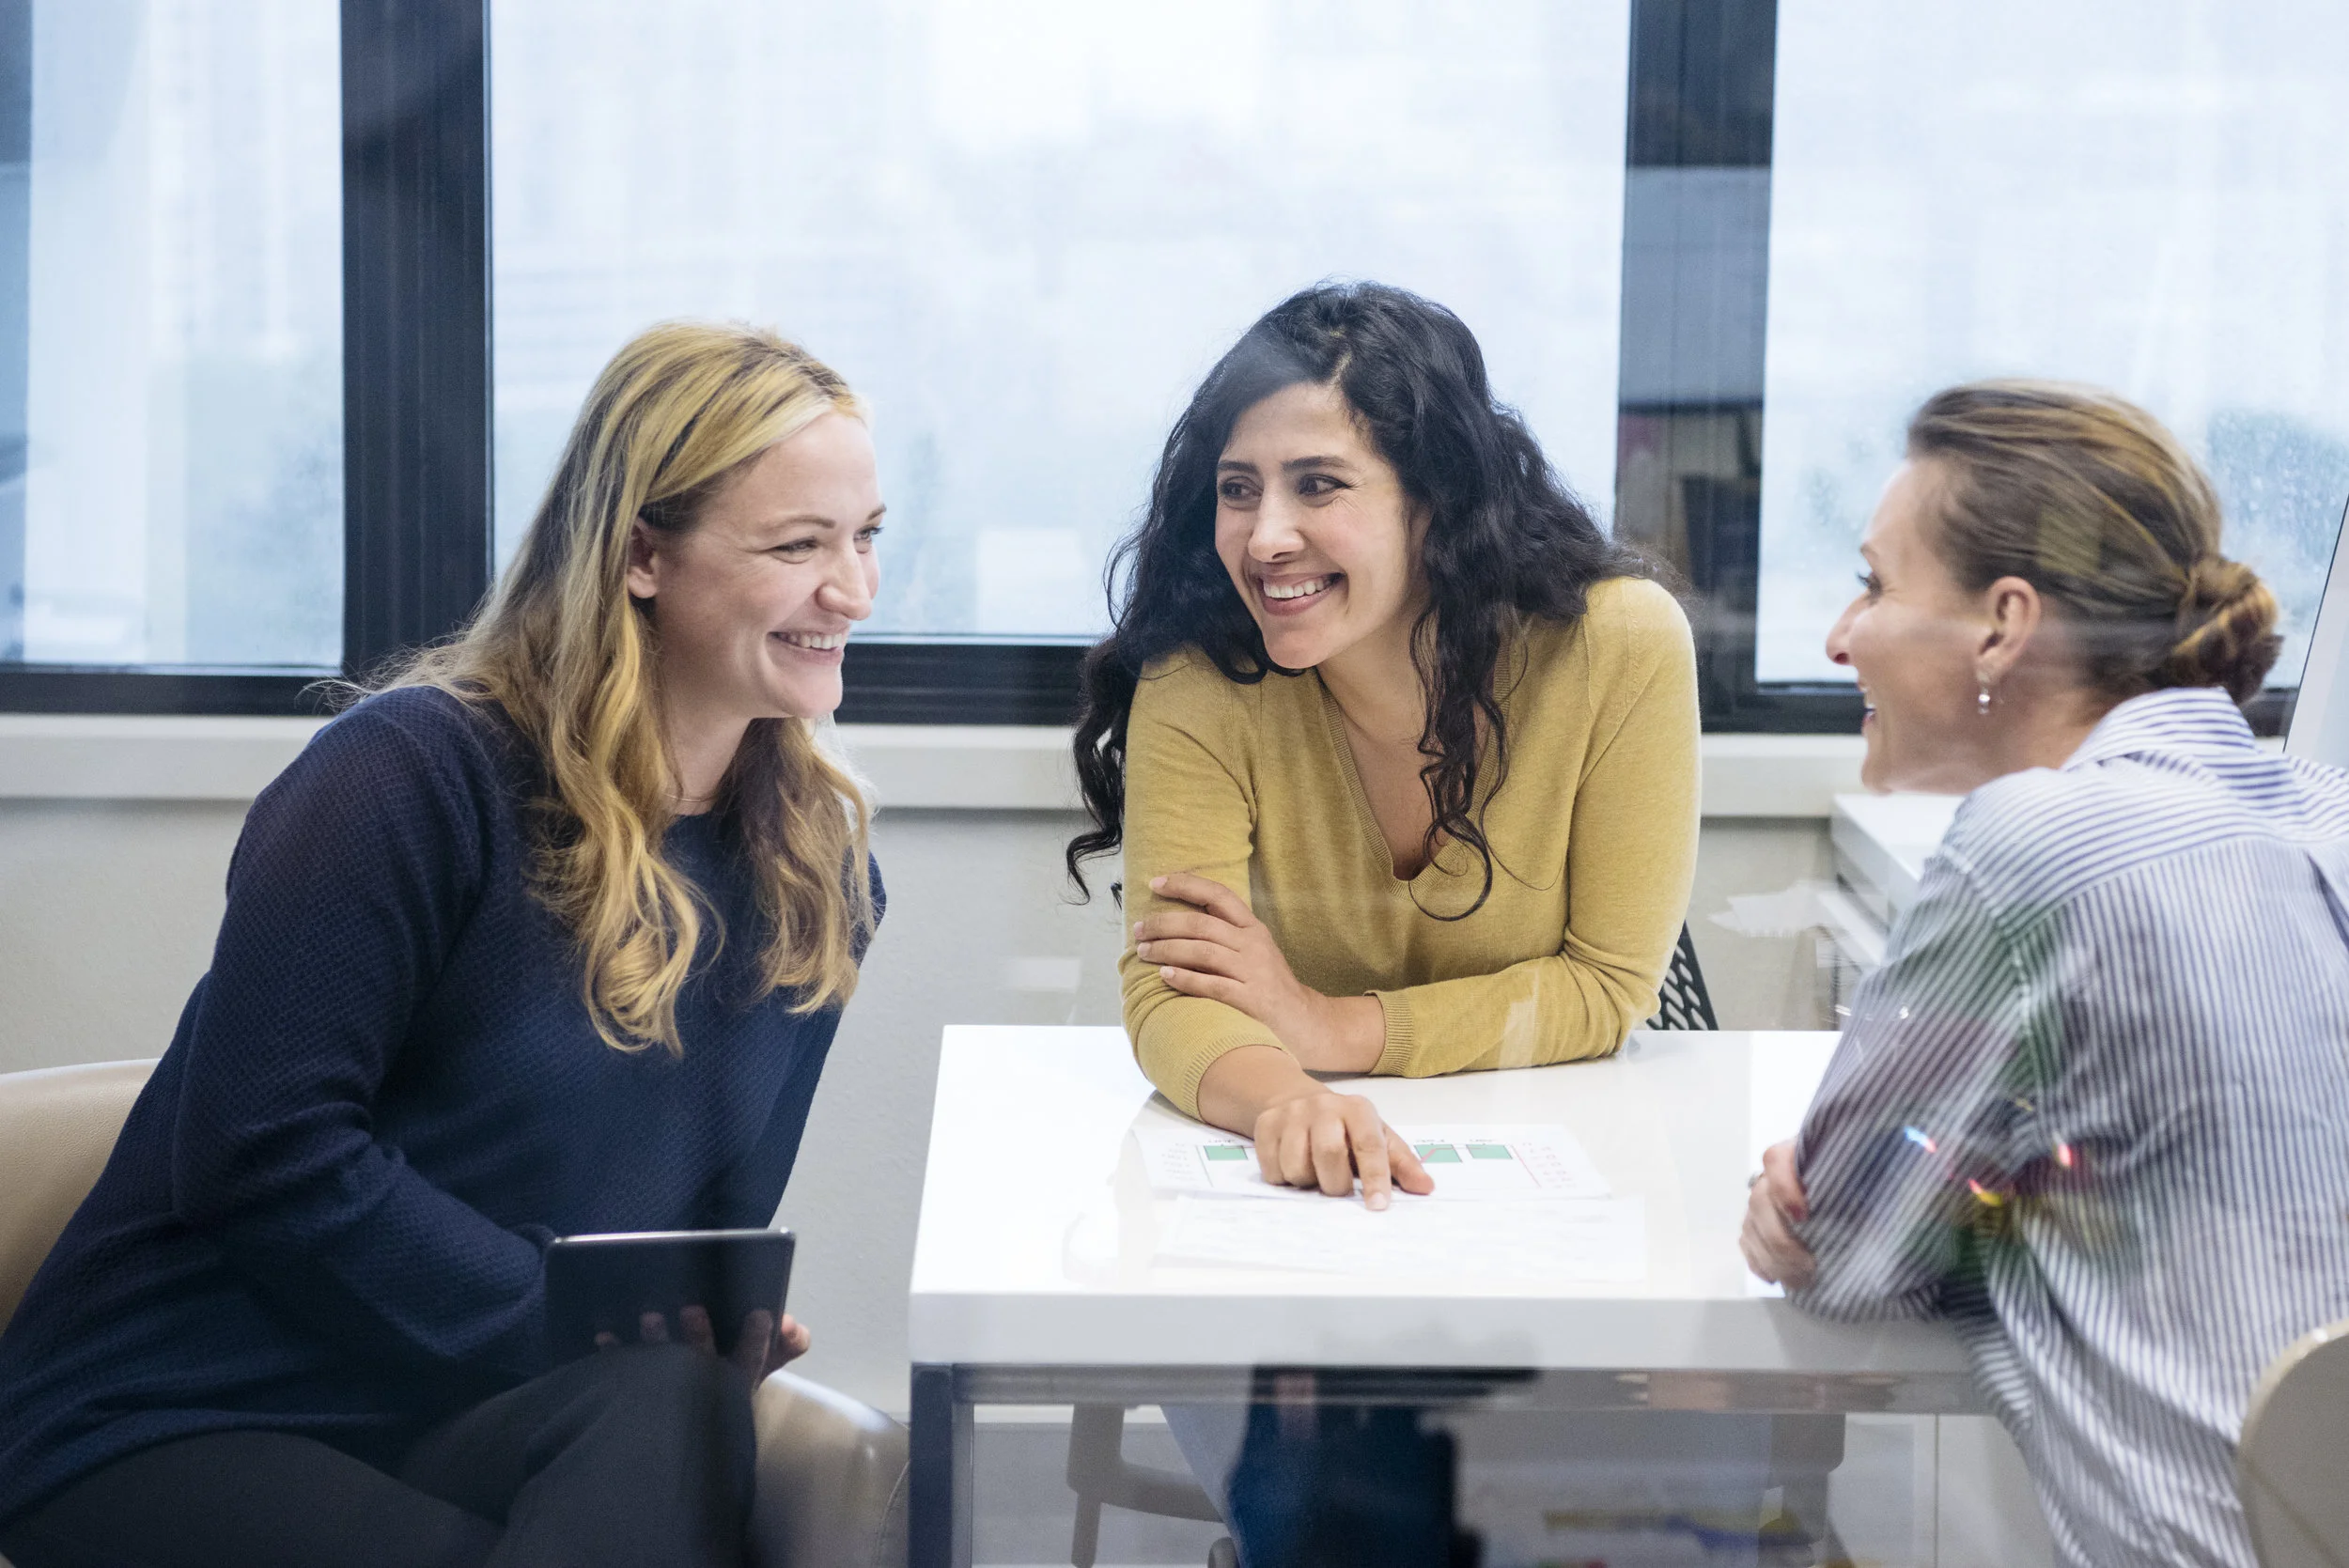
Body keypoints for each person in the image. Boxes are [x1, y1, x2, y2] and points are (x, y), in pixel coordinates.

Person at [0, 320, 887, 1568]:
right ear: (642, 554)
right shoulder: (408, 777)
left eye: (865, 537)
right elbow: (266, 1156)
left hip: (458, 1400)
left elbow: (686, 1241)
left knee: (679, 1407)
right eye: (799, 546)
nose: (850, 590)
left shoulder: (818, 877)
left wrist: (699, 1328)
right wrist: (566, 1321)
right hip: (181, 1409)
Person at [1066, 280, 1699, 1565]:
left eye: (1318, 484)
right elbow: (1175, 992)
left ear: (1433, 496)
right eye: (1238, 489)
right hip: (1312, 1205)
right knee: (1324, 1497)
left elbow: (1605, 985)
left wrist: (1325, 1029)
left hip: (1556, 1191)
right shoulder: (1201, 671)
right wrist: (1280, 1094)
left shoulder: (1619, 644)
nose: (1266, 536)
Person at [1741, 380, 2349, 1568]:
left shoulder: (2032, 845)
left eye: (1873, 583)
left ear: (2001, 624)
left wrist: (1950, 1200)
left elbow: (1848, 1246)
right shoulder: (2326, 817)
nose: (1838, 635)